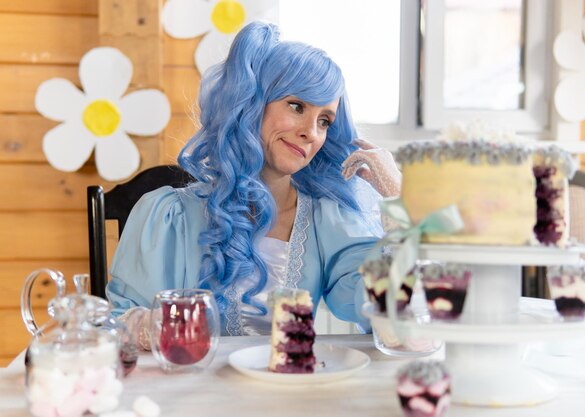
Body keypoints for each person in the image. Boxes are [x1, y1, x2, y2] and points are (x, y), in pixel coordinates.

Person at [107, 21, 401, 345]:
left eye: (324, 121)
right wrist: (159, 327)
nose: (311, 133)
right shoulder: (168, 216)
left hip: (291, 391)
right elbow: (121, 325)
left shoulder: (326, 220)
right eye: (296, 106)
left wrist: (402, 203)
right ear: (253, 105)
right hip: (193, 389)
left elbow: (386, 312)